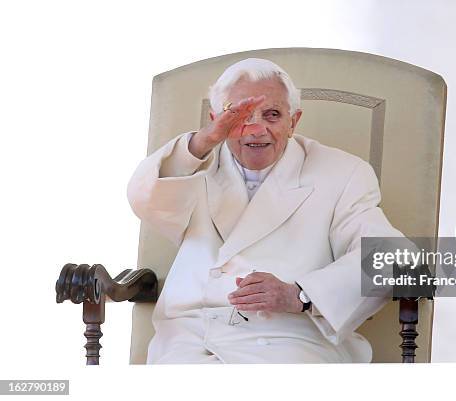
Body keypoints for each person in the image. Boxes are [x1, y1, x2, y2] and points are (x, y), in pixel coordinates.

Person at [127, 58, 405, 363]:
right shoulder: (193, 166)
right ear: (215, 119)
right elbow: (143, 197)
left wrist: (301, 294)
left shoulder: (342, 172)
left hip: (288, 339)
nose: (256, 129)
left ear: (293, 121)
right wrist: (203, 141)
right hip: (188, 340)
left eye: (272, 115)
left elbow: (392, 259)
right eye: (239, 116)